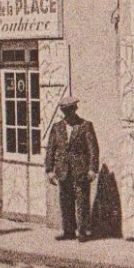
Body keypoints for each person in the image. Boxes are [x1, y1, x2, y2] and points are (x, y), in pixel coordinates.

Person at [44, 95, 99, 241]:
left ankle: (83, 231)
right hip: (62, 170)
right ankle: (68, 231)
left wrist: (92, 169)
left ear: (75, 109)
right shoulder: (57, 127)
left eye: (70, 110)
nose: (68, 113)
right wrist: (49, 170)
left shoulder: (85, 125)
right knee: (65, 201)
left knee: (82, 200)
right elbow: (50, 149)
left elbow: (93, 149)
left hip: (80, 169)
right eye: (64, 110)